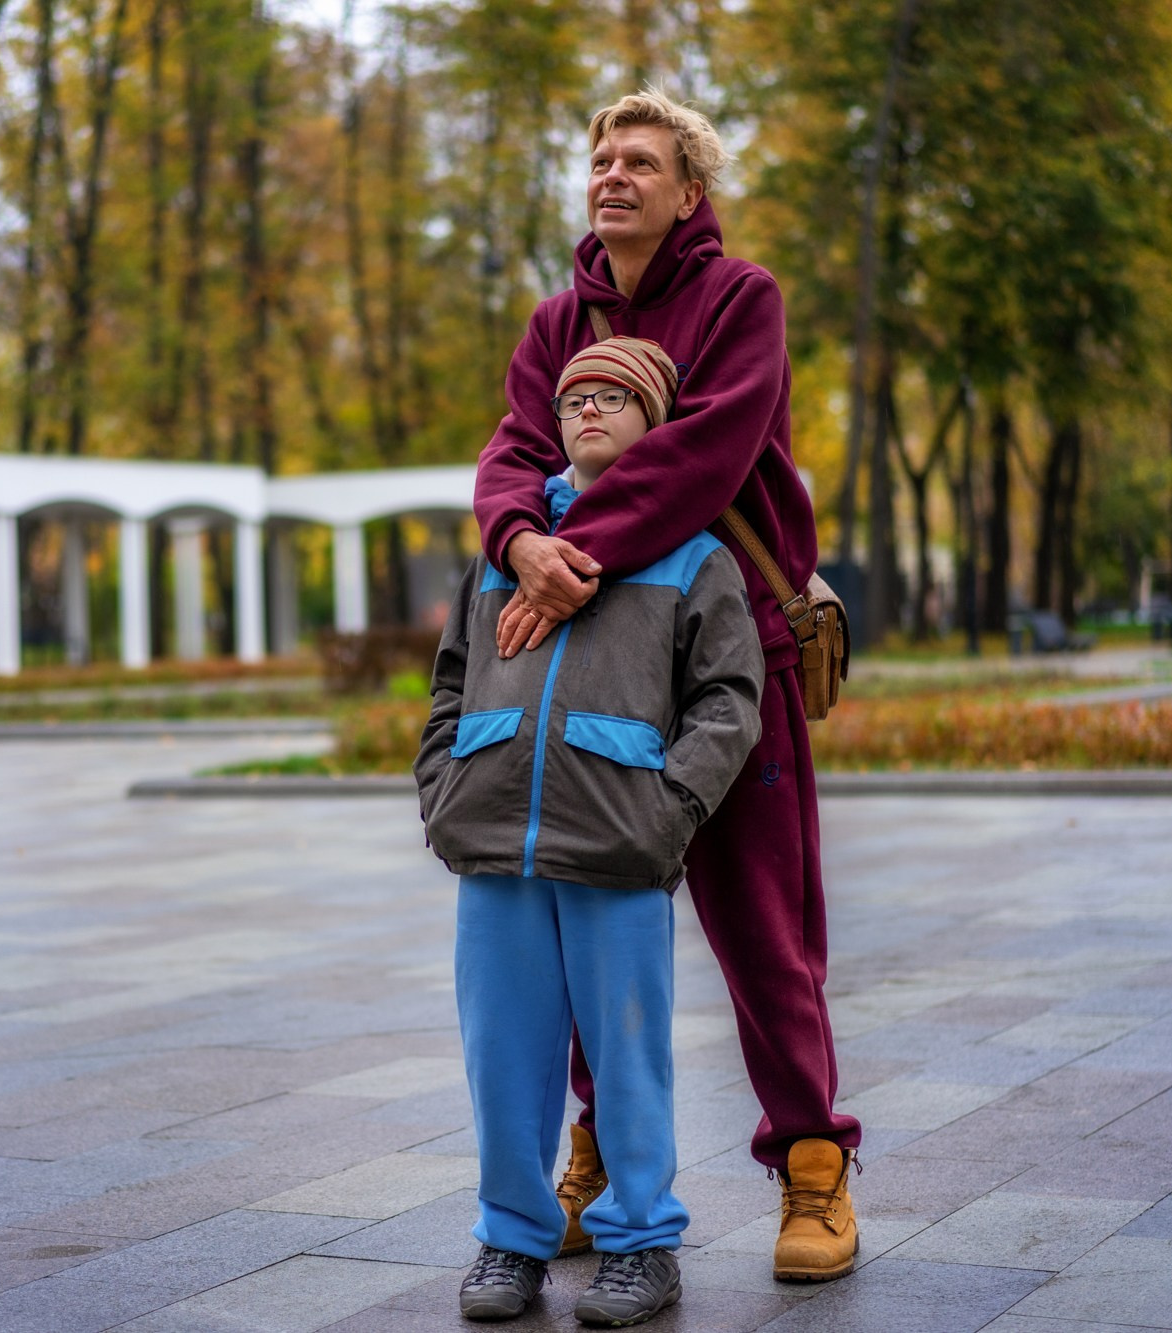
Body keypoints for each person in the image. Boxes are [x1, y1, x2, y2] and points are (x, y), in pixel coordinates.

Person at [473, 89, 864, 1284]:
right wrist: (512, 540)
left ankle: (811, 1163)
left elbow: (707, 451)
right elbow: (512, 451)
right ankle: (593, 1151)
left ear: (688, 190)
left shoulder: (741, 300)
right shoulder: (555, 320)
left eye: (639, 160)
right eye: (598, 158)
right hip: (591, 667)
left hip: (727, 651)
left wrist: (566, 552)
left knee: (763, 928)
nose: (612, 175)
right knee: (592, 912)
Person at [417, 334, 765, 1326]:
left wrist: (669, 809)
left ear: (655, 421)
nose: (588, 411)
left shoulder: (693, 557)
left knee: (627, 1054)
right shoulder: (504, 551)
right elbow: (451, 681)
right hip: (493, 848)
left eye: (615, 397)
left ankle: (642, 1242)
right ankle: (511, 1241)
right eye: (574, 399)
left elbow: (727, 702)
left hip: (617, 848)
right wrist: (441, 786)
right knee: (502, 1058)